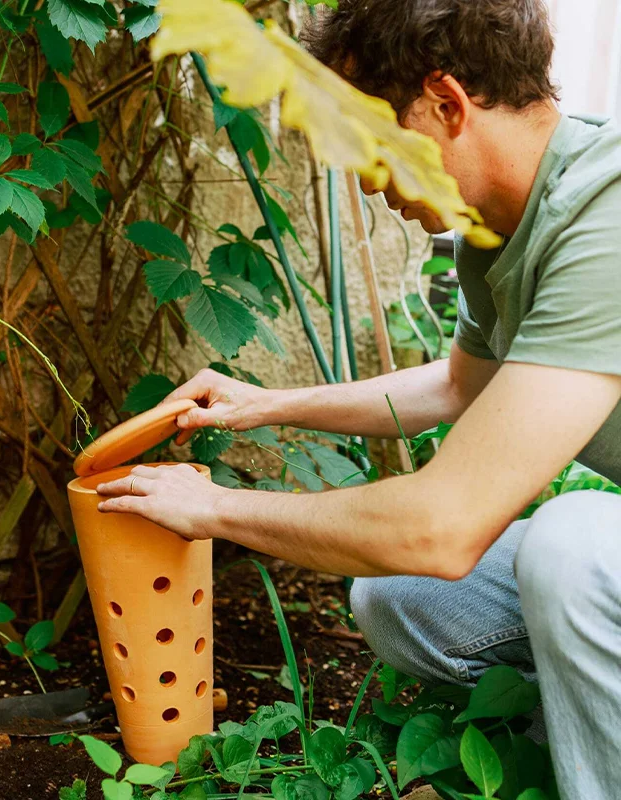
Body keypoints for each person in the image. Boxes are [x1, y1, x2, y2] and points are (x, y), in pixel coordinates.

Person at [96, 1, 621, 796]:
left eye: (368, 141)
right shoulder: (500, 221)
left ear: (447, 104)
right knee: (398, 599)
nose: (364, 179)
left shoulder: (605, 216)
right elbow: (454, 385)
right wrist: (261, 405)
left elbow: (441, 528)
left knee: (572, 546)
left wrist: (216, 510)